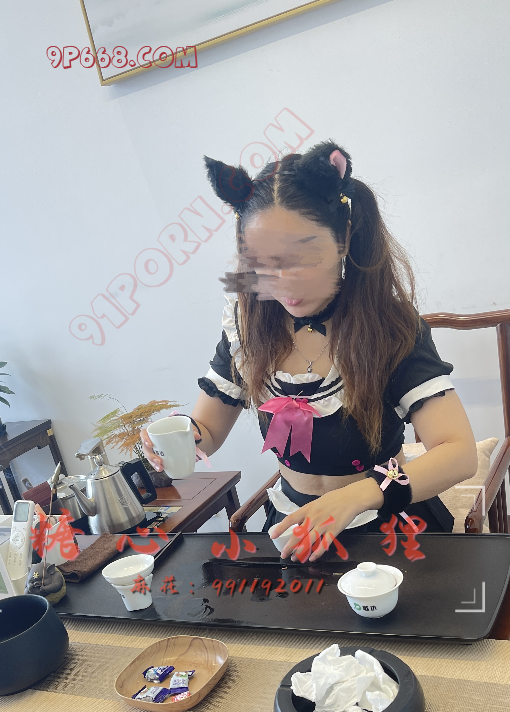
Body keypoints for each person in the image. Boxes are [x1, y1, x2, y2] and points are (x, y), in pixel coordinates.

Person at [141, 141, 477, 561]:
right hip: (292, 527)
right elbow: (207, 430)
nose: (283, 283)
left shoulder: (388, 328)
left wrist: (357, 496)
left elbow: (458, 452)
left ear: (343, 239)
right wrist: (178, 436)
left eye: (302, 258)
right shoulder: (247, 326)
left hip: (383, 521)